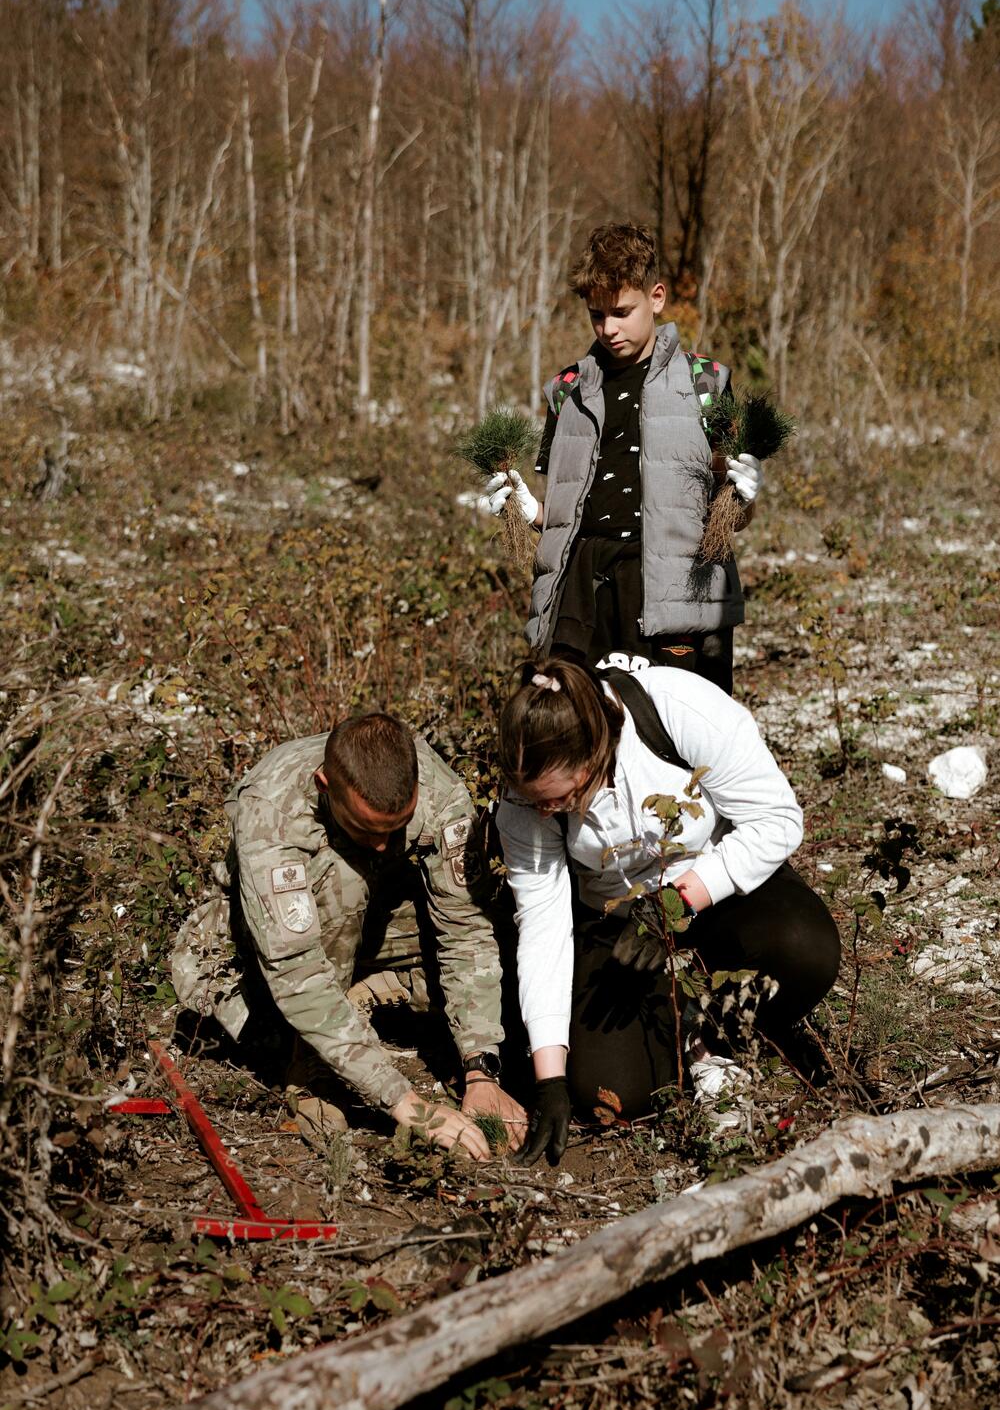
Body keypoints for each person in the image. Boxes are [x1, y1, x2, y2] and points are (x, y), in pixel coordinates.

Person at [495, 656, 840, 1166]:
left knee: (803, 949)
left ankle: (722, 1036)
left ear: (594, 754)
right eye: (536, 802)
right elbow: (543, 922)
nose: (546, 812)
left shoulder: (676, 707)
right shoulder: (525, 799)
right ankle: (689, 1033)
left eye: (560, 799)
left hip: (716, 894)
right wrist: (551, 1078)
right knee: (609, 1092)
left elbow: (777, 821)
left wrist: (676, 903)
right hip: (616, 924)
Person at [172, 713, 526, 1161]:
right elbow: (294, 968)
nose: (382, 845)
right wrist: (404, 1101)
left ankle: (368, 993)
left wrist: (480, 1070)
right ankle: (313, 1065)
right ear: (324, 786)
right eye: (366, 829)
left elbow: (464, 930)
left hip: (380, 922)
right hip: (277, 937)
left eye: (394, 830)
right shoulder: (273, 811)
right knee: (346, 878)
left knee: (506, 938)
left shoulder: (439, 794)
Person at [481, 222, 762, 694]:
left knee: (677, 743)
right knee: (581, 737)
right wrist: (531, 513)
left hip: (673, 597)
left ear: (656, 297)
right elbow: (565, 510)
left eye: (621, 312)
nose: (608, 329)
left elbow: (729, 514)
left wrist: (747, 496)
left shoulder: (706, 383)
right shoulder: (567, 391)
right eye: (596, 315)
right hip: (584, 593)